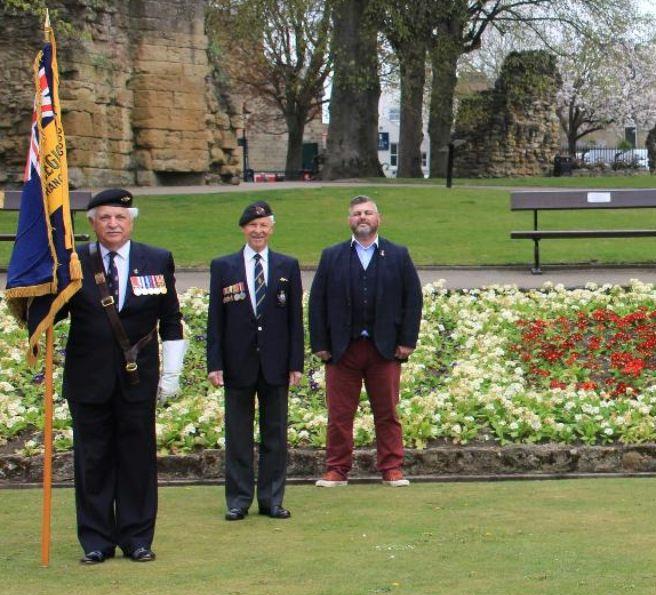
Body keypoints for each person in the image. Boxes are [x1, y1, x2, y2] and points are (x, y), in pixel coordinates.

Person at [58, 189, 186, 564]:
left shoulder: (156, 259)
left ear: (131, 221)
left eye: (120, 217)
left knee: (137, 461)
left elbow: (171, 319)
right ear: (92, 223)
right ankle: (96, 541)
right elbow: (53, 311)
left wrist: (172, 373)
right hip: (88, 377)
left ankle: (137, 538)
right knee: (92, 461)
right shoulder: (74, 261)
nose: (113, 224)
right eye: (105, 218)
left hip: (137, 378)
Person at [308, 195, 423, 487]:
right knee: (339, 414)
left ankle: (391, 468)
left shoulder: (398, 254)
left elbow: (413, 299)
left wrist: (407, 341)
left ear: (378, 219)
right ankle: (336, 469)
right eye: (357, 213)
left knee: (387, 412)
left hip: (384, 348)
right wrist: (320, 343)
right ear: (349, 220)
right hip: (342, 349)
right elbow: (317, 301)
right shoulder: (331, 256)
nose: (362, 217)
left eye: (368, 212)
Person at [206, 201, 303, 521]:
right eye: (252, 225)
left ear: (271, 229)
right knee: (238, 437)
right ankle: (238, 500)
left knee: (275, 435)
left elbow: (294, 320)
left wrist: (296, 362)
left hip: (275, 363)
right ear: (243, 229)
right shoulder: (224, 266)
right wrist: (215, 363)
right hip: (237, 363)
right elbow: (215, 319)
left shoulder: (287, 265)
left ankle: (272, 500)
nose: (258, 231)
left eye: (263, 226)